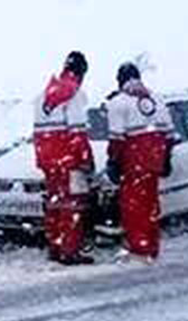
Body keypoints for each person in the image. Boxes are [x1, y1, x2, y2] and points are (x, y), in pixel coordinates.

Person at [105, 63, 174, 261]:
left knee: (133, 206)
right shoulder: (158, 100)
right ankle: (152, 246)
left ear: (120, 80)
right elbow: (169, 134)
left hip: (133, 161)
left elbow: (117, 138)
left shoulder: (118, 103)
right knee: (151, 203)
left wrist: (113, 161)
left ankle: (139, 248)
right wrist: (166, 158)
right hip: (154, 160)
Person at [33, 51, 95, 265]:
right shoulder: (75, 95)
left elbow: (39, 133)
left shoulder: (42, 95)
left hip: (48, 160)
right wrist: (86, 159)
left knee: (54, 204)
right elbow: (78, 133)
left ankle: (55, 247)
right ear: (81, 72)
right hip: (69, 161)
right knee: (72, 205)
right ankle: (70, 251)